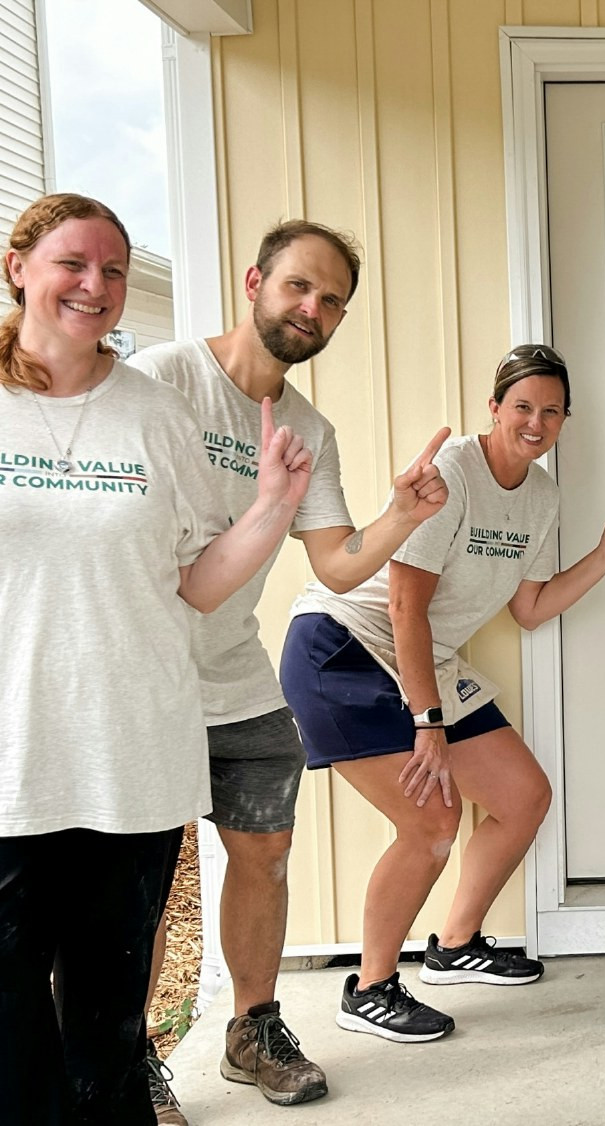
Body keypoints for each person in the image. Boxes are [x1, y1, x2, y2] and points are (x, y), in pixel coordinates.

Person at [0, 193, 312, 1125]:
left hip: (130, 752)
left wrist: (269, 509)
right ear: (19, 267)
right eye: (73, 264)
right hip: (12, 754)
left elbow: (194, 583)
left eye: (115, 271)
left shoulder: (155, 412)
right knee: (12, 1028)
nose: (96, 287)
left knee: (107, 1023)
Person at [129, 220, 449, 1119]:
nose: (314, 308)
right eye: (299, 287)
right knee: (149, 882)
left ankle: (252, 1029)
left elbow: (339, 565)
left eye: (333, 299)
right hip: (143, 678)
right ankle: (133, 1054)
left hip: (236, 677)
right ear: (254, 283)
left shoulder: (310, 427)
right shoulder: (161, 380)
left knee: (264, 854)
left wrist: (400, 515)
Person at [279, 343, 605, 1042]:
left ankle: (453, 946)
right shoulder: (455, 472)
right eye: (522, 407)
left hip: (422, 658)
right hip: (342, 649)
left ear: (565, 421)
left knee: (522, 797)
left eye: (551, 411)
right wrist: (428, 722)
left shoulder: (542, 496)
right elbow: (402, 608)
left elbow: (530, 609)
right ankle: (371, 987)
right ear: (494, 409)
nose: (535, 422)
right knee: (431, 823)